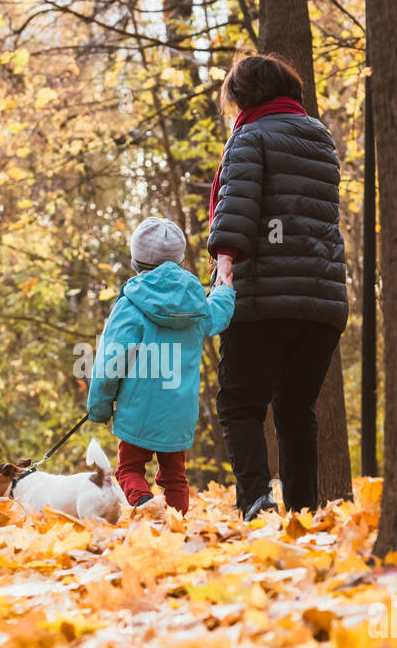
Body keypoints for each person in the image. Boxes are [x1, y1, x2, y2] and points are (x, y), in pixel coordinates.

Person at [207, 53, 349, 520]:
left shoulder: (250, 135)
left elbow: (239, 204)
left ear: (245, 96)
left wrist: (224, 263)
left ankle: (255, 501)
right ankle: (304, 513)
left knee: (240, 402)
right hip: (322, 302)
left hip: (263, 296)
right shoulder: (320, 137)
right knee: (295, 410)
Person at [87, 217, 235, 514]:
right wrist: (225, 289)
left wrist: (100, 407)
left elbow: (110, 362)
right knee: (175, 478)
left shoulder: (130, 304)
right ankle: (177, 525)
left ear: (136, 261)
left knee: (128, 470)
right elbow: (217, 314)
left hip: (136, 411)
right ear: (180, 261)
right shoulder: (194, 303)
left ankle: (146, 507)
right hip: (178, 413)